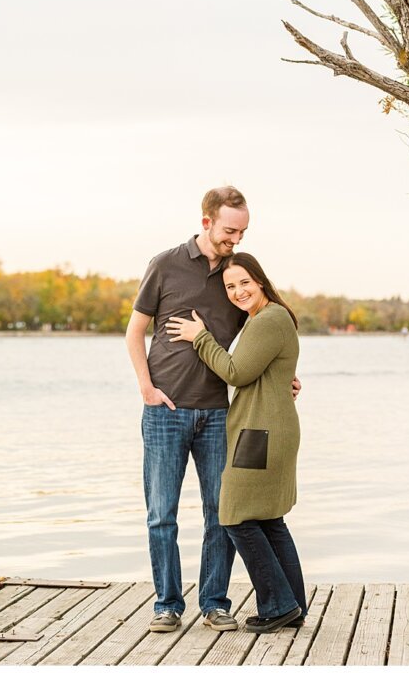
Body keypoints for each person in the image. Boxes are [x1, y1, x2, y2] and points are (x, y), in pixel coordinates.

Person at [124, 186, 300, 634]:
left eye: (241, 231)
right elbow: (134, 333)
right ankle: (166, 604)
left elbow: (263, 332)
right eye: (228, 230)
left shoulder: (237, 276)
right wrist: (146, 388)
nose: (234, 239)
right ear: (206, 222)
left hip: (220, 413)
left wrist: (283, 377)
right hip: (165, 409)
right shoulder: (165, 264)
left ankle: (214, 603)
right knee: (161, 513)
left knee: (219, 512)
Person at [166, 252, 306, 633]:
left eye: (244, 282)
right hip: (267, 428)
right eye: (230, 286)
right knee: (268, 520)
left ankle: (278, 606)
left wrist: (200, 338)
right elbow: (269, 372)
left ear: (260, 280)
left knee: (233, 516)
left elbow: (236, 371)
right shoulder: (267, 319)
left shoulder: (269, 318)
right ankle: (293, 604)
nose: (238, 291)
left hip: (260, 433)